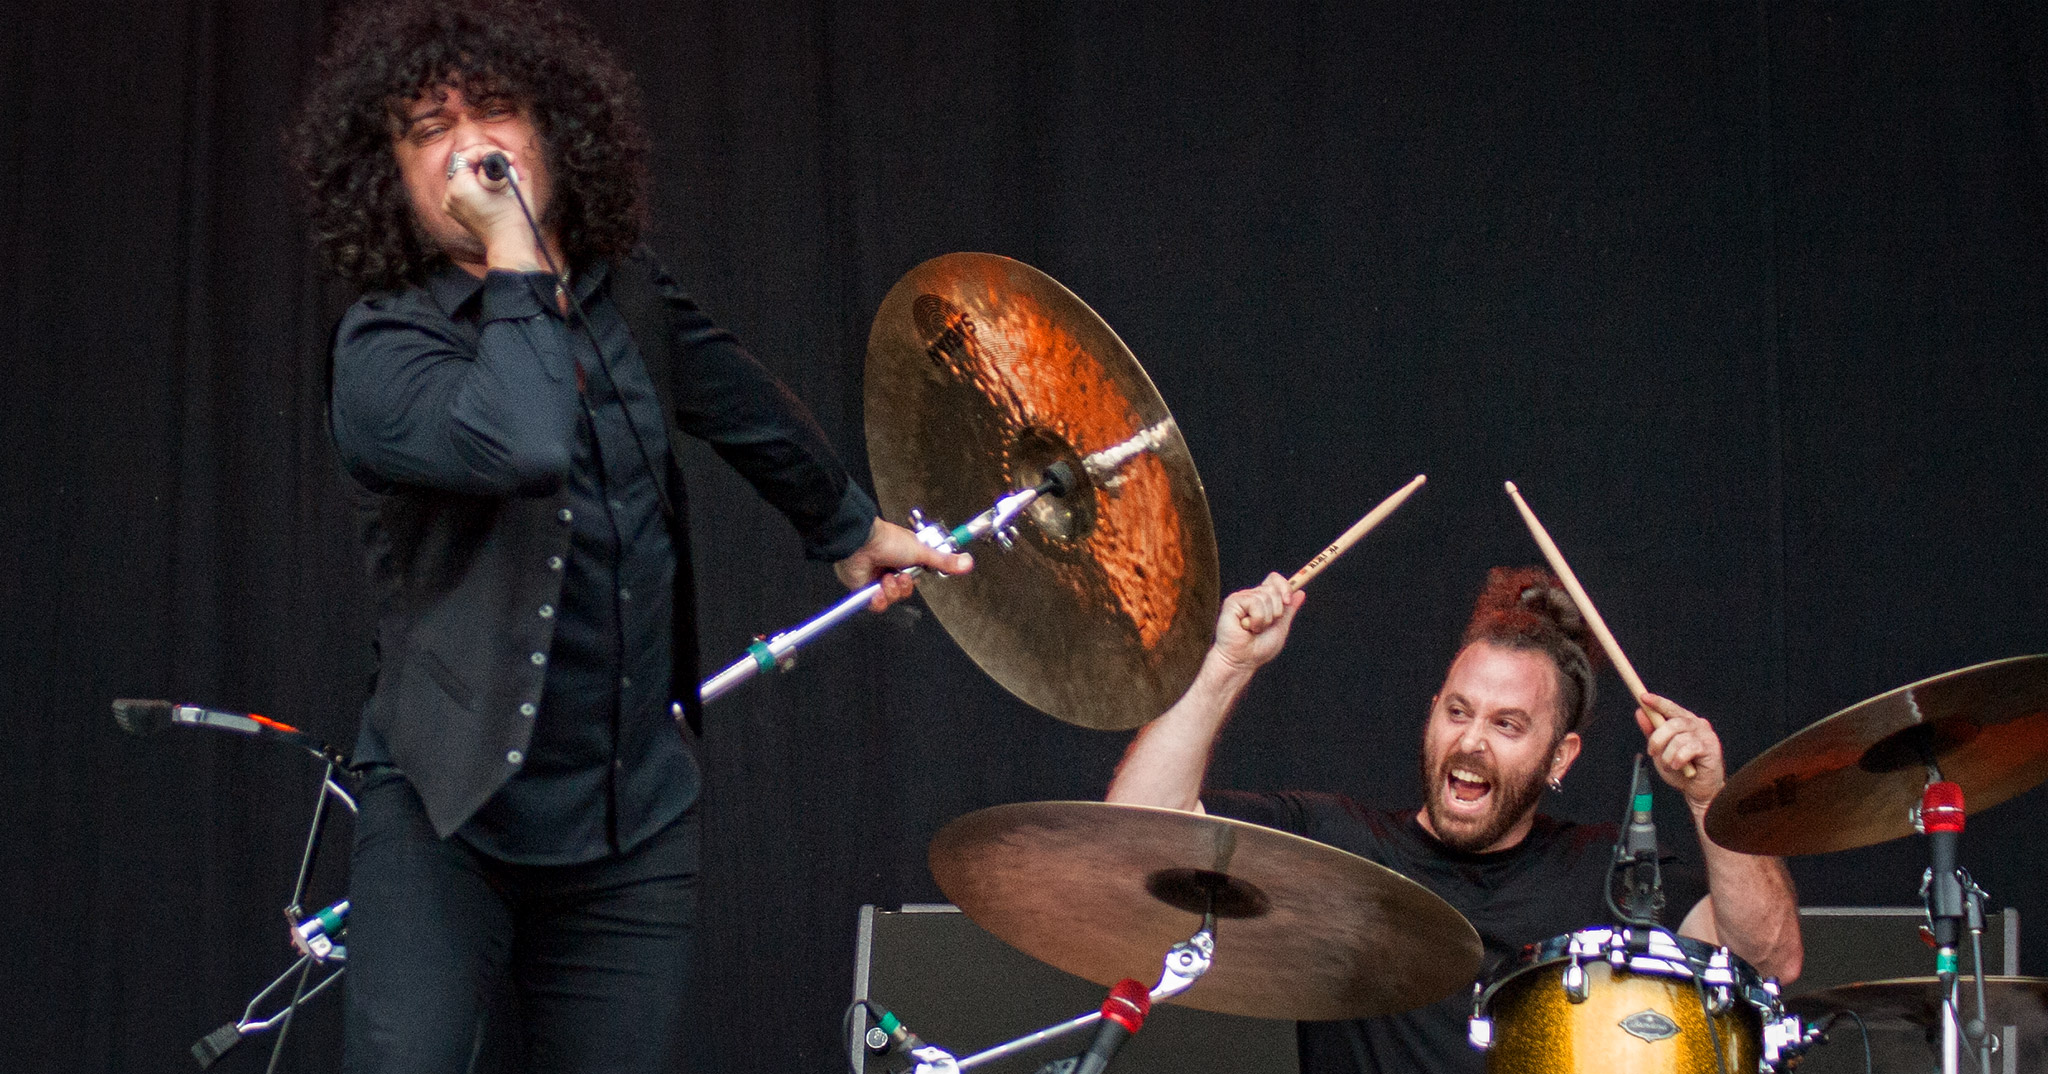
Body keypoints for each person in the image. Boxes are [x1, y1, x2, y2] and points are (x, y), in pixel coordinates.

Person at [287, 2, 966, 1070]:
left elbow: (733, 396)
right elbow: (519, 441)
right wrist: (515, 249)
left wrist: (844, 525)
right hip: (449, 815)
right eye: (429, 130)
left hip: (628, 818)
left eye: (496, 111)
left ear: (558, 131)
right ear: (392, 181)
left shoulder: (624, 292)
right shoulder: (383, 348)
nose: (472, 147)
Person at [1106, 567, 1803, 1074]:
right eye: (1458, 711)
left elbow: (1770, 961)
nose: (1471, 743)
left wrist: (1710, 798)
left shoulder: (1610, 874)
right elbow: (1135, 834)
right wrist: (1227, 664)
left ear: (1560, 757)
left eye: (1508, 724)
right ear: (1432, 712)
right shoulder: (1338, 848)